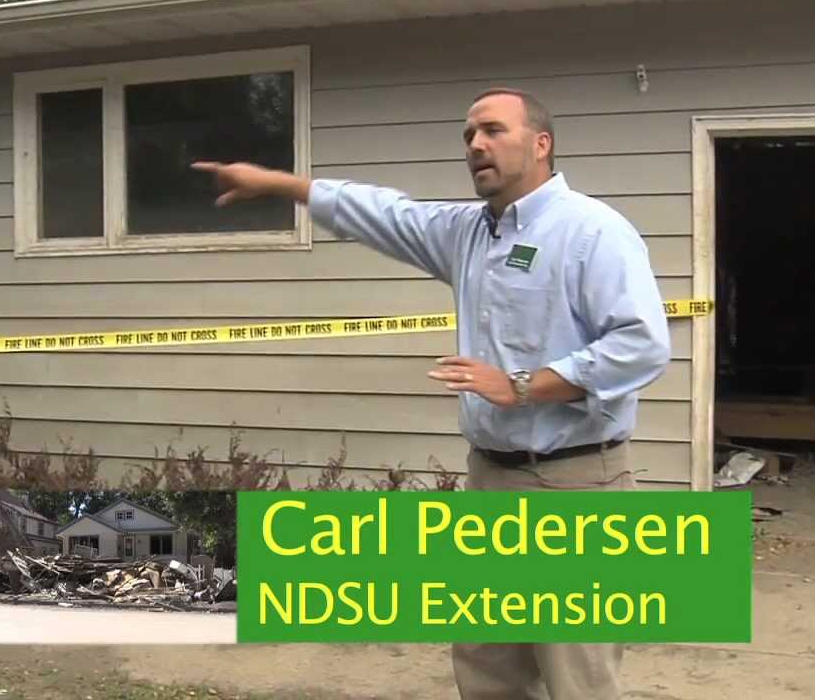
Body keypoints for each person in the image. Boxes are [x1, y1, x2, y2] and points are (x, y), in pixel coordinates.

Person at [192, 87, 671, 700]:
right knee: (487, 666)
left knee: (578, 674)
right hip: (490, 481)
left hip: (576, 485)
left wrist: (522, 385)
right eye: (469, 135)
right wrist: (278, 184)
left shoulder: (592, 232)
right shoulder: (468, 233)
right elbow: (385, 214)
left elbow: (642, 344)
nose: (475, 145)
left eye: (493, 130)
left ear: (541, 144)